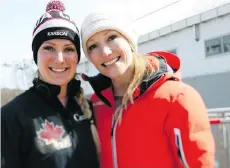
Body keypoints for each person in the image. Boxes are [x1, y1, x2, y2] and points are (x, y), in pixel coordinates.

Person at [80, 12, 215, 168]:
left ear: (129, 41)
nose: (105, 52)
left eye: (111, 37)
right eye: (93, 46)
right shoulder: (95, 105)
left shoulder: (177, 97)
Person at [1, 1, 100, 168]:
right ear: (36, 56)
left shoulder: (88, 108)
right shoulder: (10, 117)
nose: (59, 59)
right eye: (49, 48)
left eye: (69, 49)